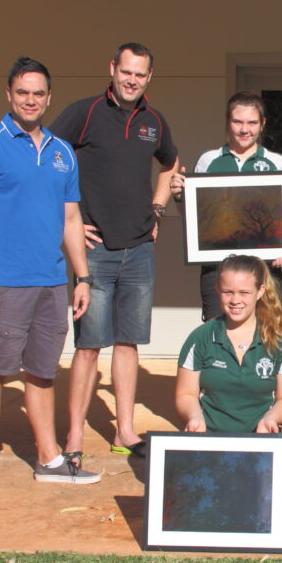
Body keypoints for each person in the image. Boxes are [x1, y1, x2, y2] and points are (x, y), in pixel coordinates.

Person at [0, 57, 101, 506]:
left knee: (41, 374)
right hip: (5, 282)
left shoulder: (62, 151)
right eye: (23, 92)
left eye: (39, 93)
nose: (31, 100)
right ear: (9, 94)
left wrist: (81, 276)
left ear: (49, 97)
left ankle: (49, 459)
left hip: (49, 282)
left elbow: (70, 217)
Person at [50, 42, 180, 462]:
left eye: (140, 75)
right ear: (112, 68)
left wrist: (157, 209)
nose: (132, 80)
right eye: (126, 72)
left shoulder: (154, 121)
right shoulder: (84, 113)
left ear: (149, 78)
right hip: (96, 251)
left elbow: (171, 164)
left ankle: (125, 430)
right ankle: (73, 437)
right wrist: (66, 218)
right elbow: (46, 157)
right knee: (89, 345)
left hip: (139, 249)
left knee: (127, 344)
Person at [168, 91, 282, 321]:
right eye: (238, 122)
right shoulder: (208, 160)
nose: (245, 129)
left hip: (265, 269)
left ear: (263, 124)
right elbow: (195, 220)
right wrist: (179, 197)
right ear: (227, 122)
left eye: (252, 122)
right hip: (218, 269)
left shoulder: (278, 163)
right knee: (218, 336)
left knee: (266, 335)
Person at [175, 255, 282, 433]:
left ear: (260, 291)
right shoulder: (200, 338)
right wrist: (194, 416)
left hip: (260, 439)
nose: (235, 300)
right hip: (209, 438)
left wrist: (271, 419)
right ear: (217, 289)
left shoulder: (279, 342)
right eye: (228, 292)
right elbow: (185, 394)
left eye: (244, 292)